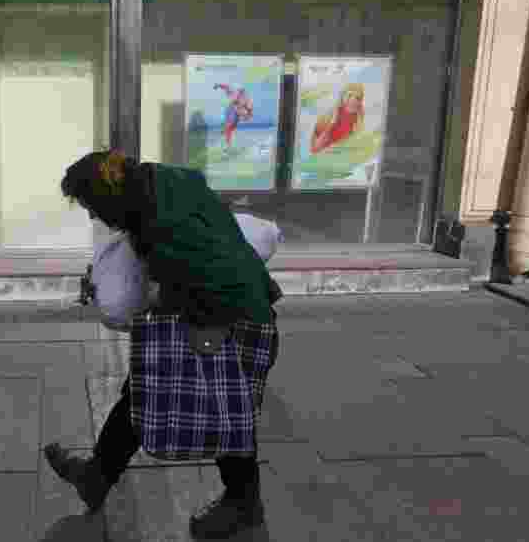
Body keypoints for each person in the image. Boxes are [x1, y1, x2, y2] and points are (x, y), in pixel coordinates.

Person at [45, 150, 280, 539]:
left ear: (107, 197)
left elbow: (182, 283)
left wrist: (127, 302)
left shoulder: (159, 224)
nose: (92, 217)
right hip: (242, 308)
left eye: (90, 206)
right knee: (148, 386)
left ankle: (244, 505)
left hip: (234, 322)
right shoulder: (166, 183)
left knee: (226, 413)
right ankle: (96, 476)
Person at [310, 82, 365, 155]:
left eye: (357, 98)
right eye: (350, 95)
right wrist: (331, 125)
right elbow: (314, 148)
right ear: (342, 97)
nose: (353, 100)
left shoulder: (358, 117)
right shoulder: (330, 116)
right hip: (324, 154)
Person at [214, 83, 254, 148]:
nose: (239, 94)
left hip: (236, 113)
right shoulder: (233, 93)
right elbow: (226, 87)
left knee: (231, 128)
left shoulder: (246, 99)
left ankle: (226, 137)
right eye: (239, 91)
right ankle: (227, 143)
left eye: (241, 92)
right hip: (231, 111)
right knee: (228, 127)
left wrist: (247, 116)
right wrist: (218, 85)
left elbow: (249, 110)